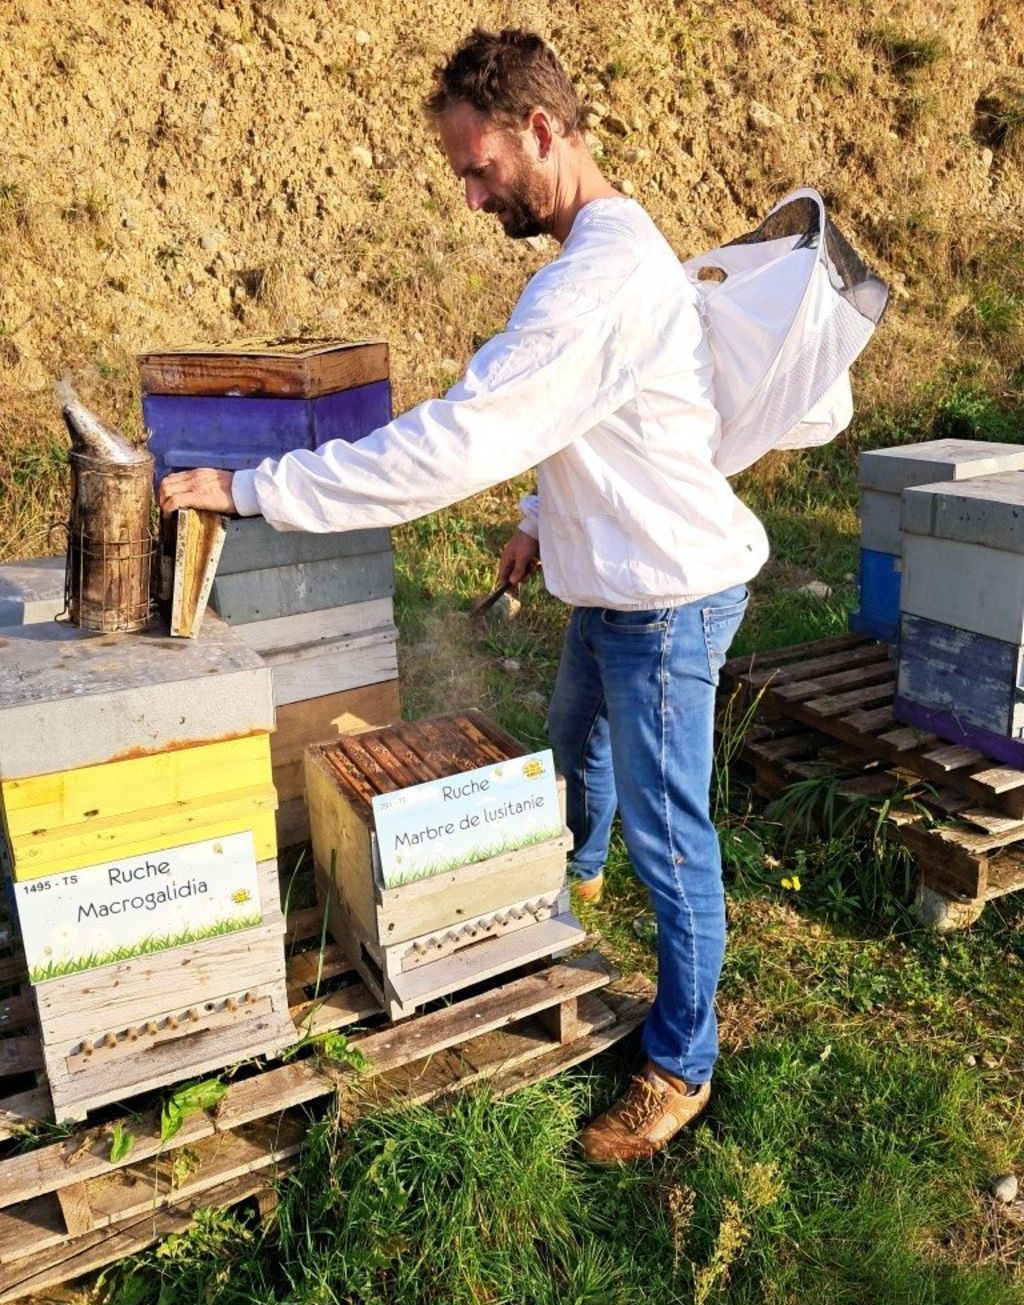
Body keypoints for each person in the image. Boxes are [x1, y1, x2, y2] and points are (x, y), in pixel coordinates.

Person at [160, 27, 770, 1164]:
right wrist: (542, 523)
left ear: (540, 131)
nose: (474, 195)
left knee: (671, 836)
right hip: (617, 579)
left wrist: (253, 488)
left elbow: (454, 443)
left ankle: (680, 1063)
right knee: (571, 741)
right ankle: (559, 903)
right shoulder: (615, 250)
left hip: (667, 597)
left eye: (480, 167)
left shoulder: (594, 282)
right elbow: (611, 421)